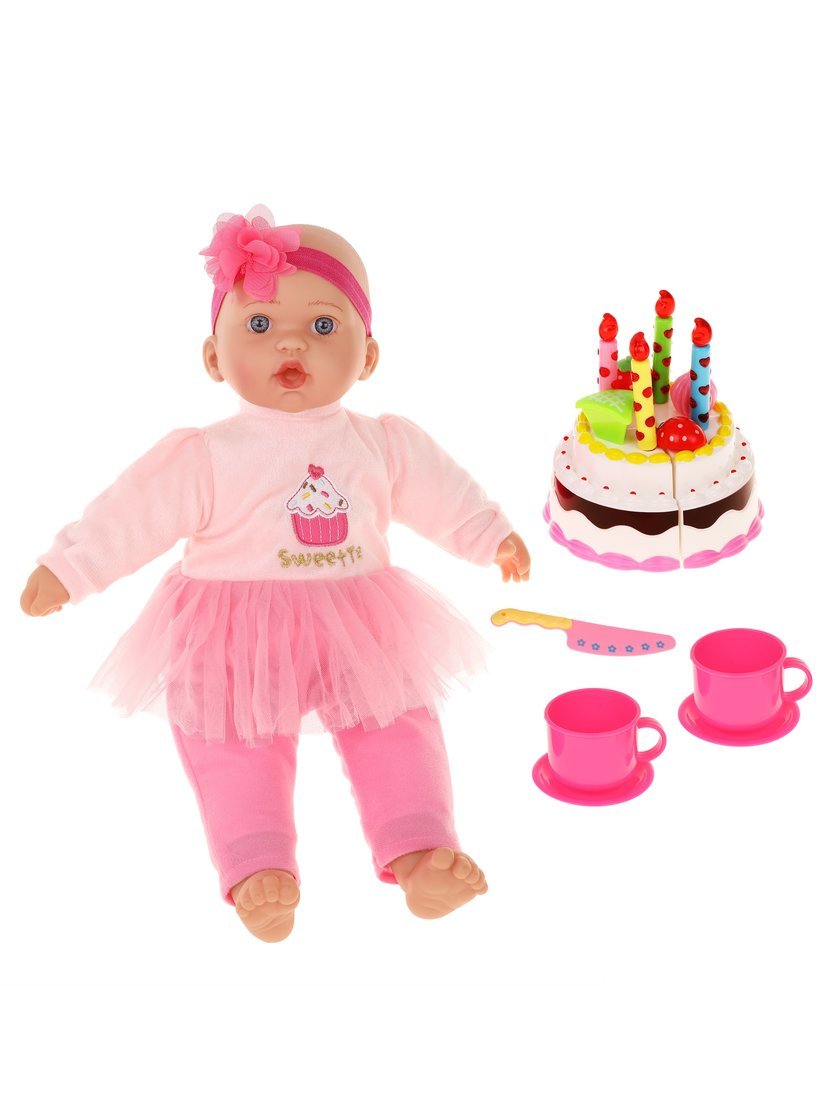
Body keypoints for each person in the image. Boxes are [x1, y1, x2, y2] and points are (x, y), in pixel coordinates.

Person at [20, 206, 531, 942]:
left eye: (323, 326)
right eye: (259, 325)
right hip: (233, 633)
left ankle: (421, 850)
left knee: (396, 726)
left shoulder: (381, 443)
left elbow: (443, 492)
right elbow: (131, 514)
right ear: (213, 356)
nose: (291, 343)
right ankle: (258, 865)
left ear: (368, 356)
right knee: (233, 744)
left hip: (361, 623)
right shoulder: (204, 454)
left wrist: (490, 536)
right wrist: (71, 567)